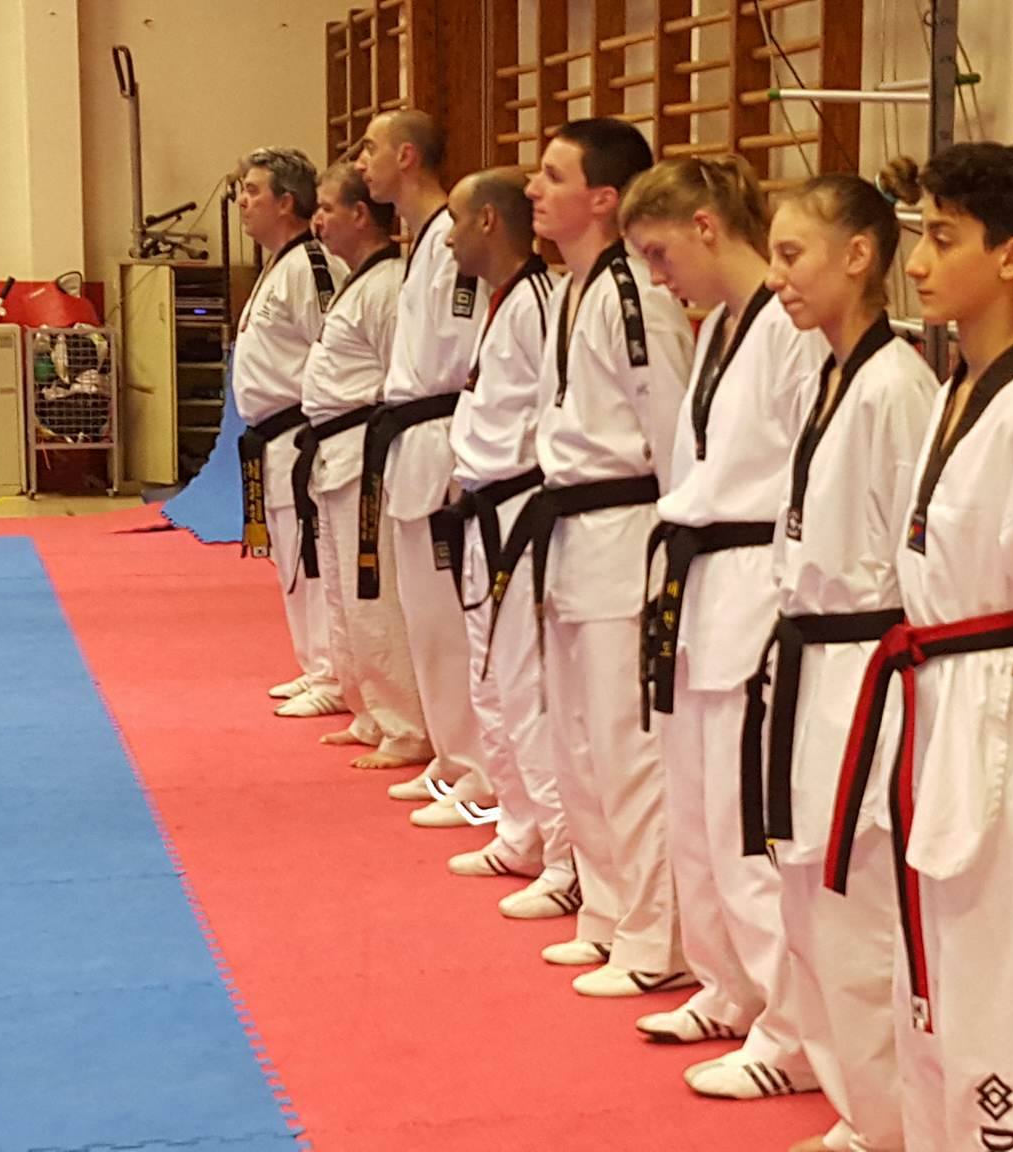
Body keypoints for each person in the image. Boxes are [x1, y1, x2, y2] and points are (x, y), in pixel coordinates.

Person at [826, 145, 1013, 1152]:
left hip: (1008, 725)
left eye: (942, 238)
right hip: (936, 702)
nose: (916, 261)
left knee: (1009, 998)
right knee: (935, 984)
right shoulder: (956, 385)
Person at [617, 156, 826, 1100]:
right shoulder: (719, 330)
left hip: (756, 585)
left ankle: (792, 1035)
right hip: (700, 585)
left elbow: (809, 481)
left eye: (662, 253)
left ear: (707, 226)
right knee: (698, 813)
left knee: (747, 829)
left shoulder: (789, 331)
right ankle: (729, 987)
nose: (658, 276)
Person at [750, 173, 938, 1152]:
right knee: (811, 895)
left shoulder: (896, 387)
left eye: (792, 255)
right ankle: (861, 1109)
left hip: (866, 667)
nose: (775, 276)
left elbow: (921, 559)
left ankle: (894, 1126)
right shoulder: (829, 372)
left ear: (857, 256)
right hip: (813, 659)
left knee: (859, 908)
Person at [495, 117, 693, 995]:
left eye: (552, 174)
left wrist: (673, 558)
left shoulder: (636, 296)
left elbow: (673, 435)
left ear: (604, 198)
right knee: (577, 741)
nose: (532, 188)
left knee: (626, 747)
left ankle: (657, 942)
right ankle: (607, 915)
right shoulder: (571, 288)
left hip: (626, 536)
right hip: (570, 533)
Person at [435, 168, 580, 919]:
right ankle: (520, 829)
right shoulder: (503, 302)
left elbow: (557, 417)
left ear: (489, 222)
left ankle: (565, 856)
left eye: (457, 222)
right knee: (490, 681)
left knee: (526, 688)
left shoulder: (539, 303)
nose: (447, 239)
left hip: (521, 508)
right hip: (485, 507)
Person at [353, 110, 498, 819]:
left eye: (371, 149)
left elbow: (463, 353)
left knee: (447, 620)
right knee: (424, 620)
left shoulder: (450, 241)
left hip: (440, 435)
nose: (361, 162)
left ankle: (477, 772)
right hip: (411, 435)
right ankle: (449, 757)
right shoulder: (422, 242)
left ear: (407, 156)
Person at [298, 163, 431, 770]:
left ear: (359, 214)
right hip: (334, 453)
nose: (317, 220)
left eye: (327, 208)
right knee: (345, 597)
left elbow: (397, 380)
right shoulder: (359, 281)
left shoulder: (388, 286)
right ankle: (370, 708)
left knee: (374, 597)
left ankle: (406, 724)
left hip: (363, 454)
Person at [226, 148, 353, 721]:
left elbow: (334, 349)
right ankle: (314, 662)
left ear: (286, 202)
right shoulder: (279, 263)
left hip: (302, 432)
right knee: (291, 557)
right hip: (271, 434)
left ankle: (333, 674)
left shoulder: (311, 265)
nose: (242, 201)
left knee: (314, 556)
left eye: (253, 190)